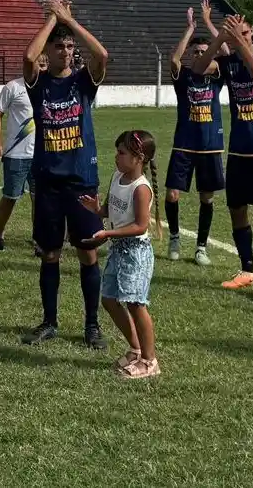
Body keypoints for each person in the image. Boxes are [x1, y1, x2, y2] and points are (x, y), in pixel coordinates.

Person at [21, 0, 109, 349]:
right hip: (48, 182)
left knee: (88, 252)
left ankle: (92, 325)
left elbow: (101, 56)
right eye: (59, 46)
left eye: (70, 47)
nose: (66, 52)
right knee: (50, 253)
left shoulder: (83, 83)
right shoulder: (39, 82)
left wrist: (70, 22)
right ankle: (49, 321)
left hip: (81, 180)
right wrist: (51, 20)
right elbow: (29, 57)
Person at [191, 14, 253, 302]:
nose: (240, 37)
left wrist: (238, 43)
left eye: (243, 32)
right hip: (239, 151)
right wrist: (220, 38)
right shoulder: (228, 64)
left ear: (252, 32)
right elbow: (197, 68)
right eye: (235, 33)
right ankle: (248, 269)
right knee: (236, 209)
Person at [80, 130, 161, 379]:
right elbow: (110, 209)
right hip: (118, 250)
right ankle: (135, 349)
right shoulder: (118, 176)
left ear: (139, 158)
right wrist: (96, 209)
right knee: (109, 299)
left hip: (135, 253)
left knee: (137, 304)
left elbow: (140, 226)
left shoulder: (141, 189)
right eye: (117, 151)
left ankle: (150, 361)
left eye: (122, 153)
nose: (116, 157)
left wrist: (107, 235)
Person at [165, 0, 228, 265]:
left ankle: (201, 246)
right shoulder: (185, 78)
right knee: (172, 194)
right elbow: (174, 59)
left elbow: (226, 53)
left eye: (205, 51)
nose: (200, 55)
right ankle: (175, 237)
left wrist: (211, 23)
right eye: (197, 52)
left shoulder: (217, 77)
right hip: (184, 143)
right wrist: (190, 29)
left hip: (210, 144)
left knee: (207, 196)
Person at [0, 54, 48, 251]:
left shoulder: (50, 89)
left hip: (42, 155)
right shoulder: (13, 87)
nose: (42, 68)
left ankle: (39, 239)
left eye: (44, 65)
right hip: (16, 154)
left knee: (39, 198)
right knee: (11, 196)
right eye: (38, 64)